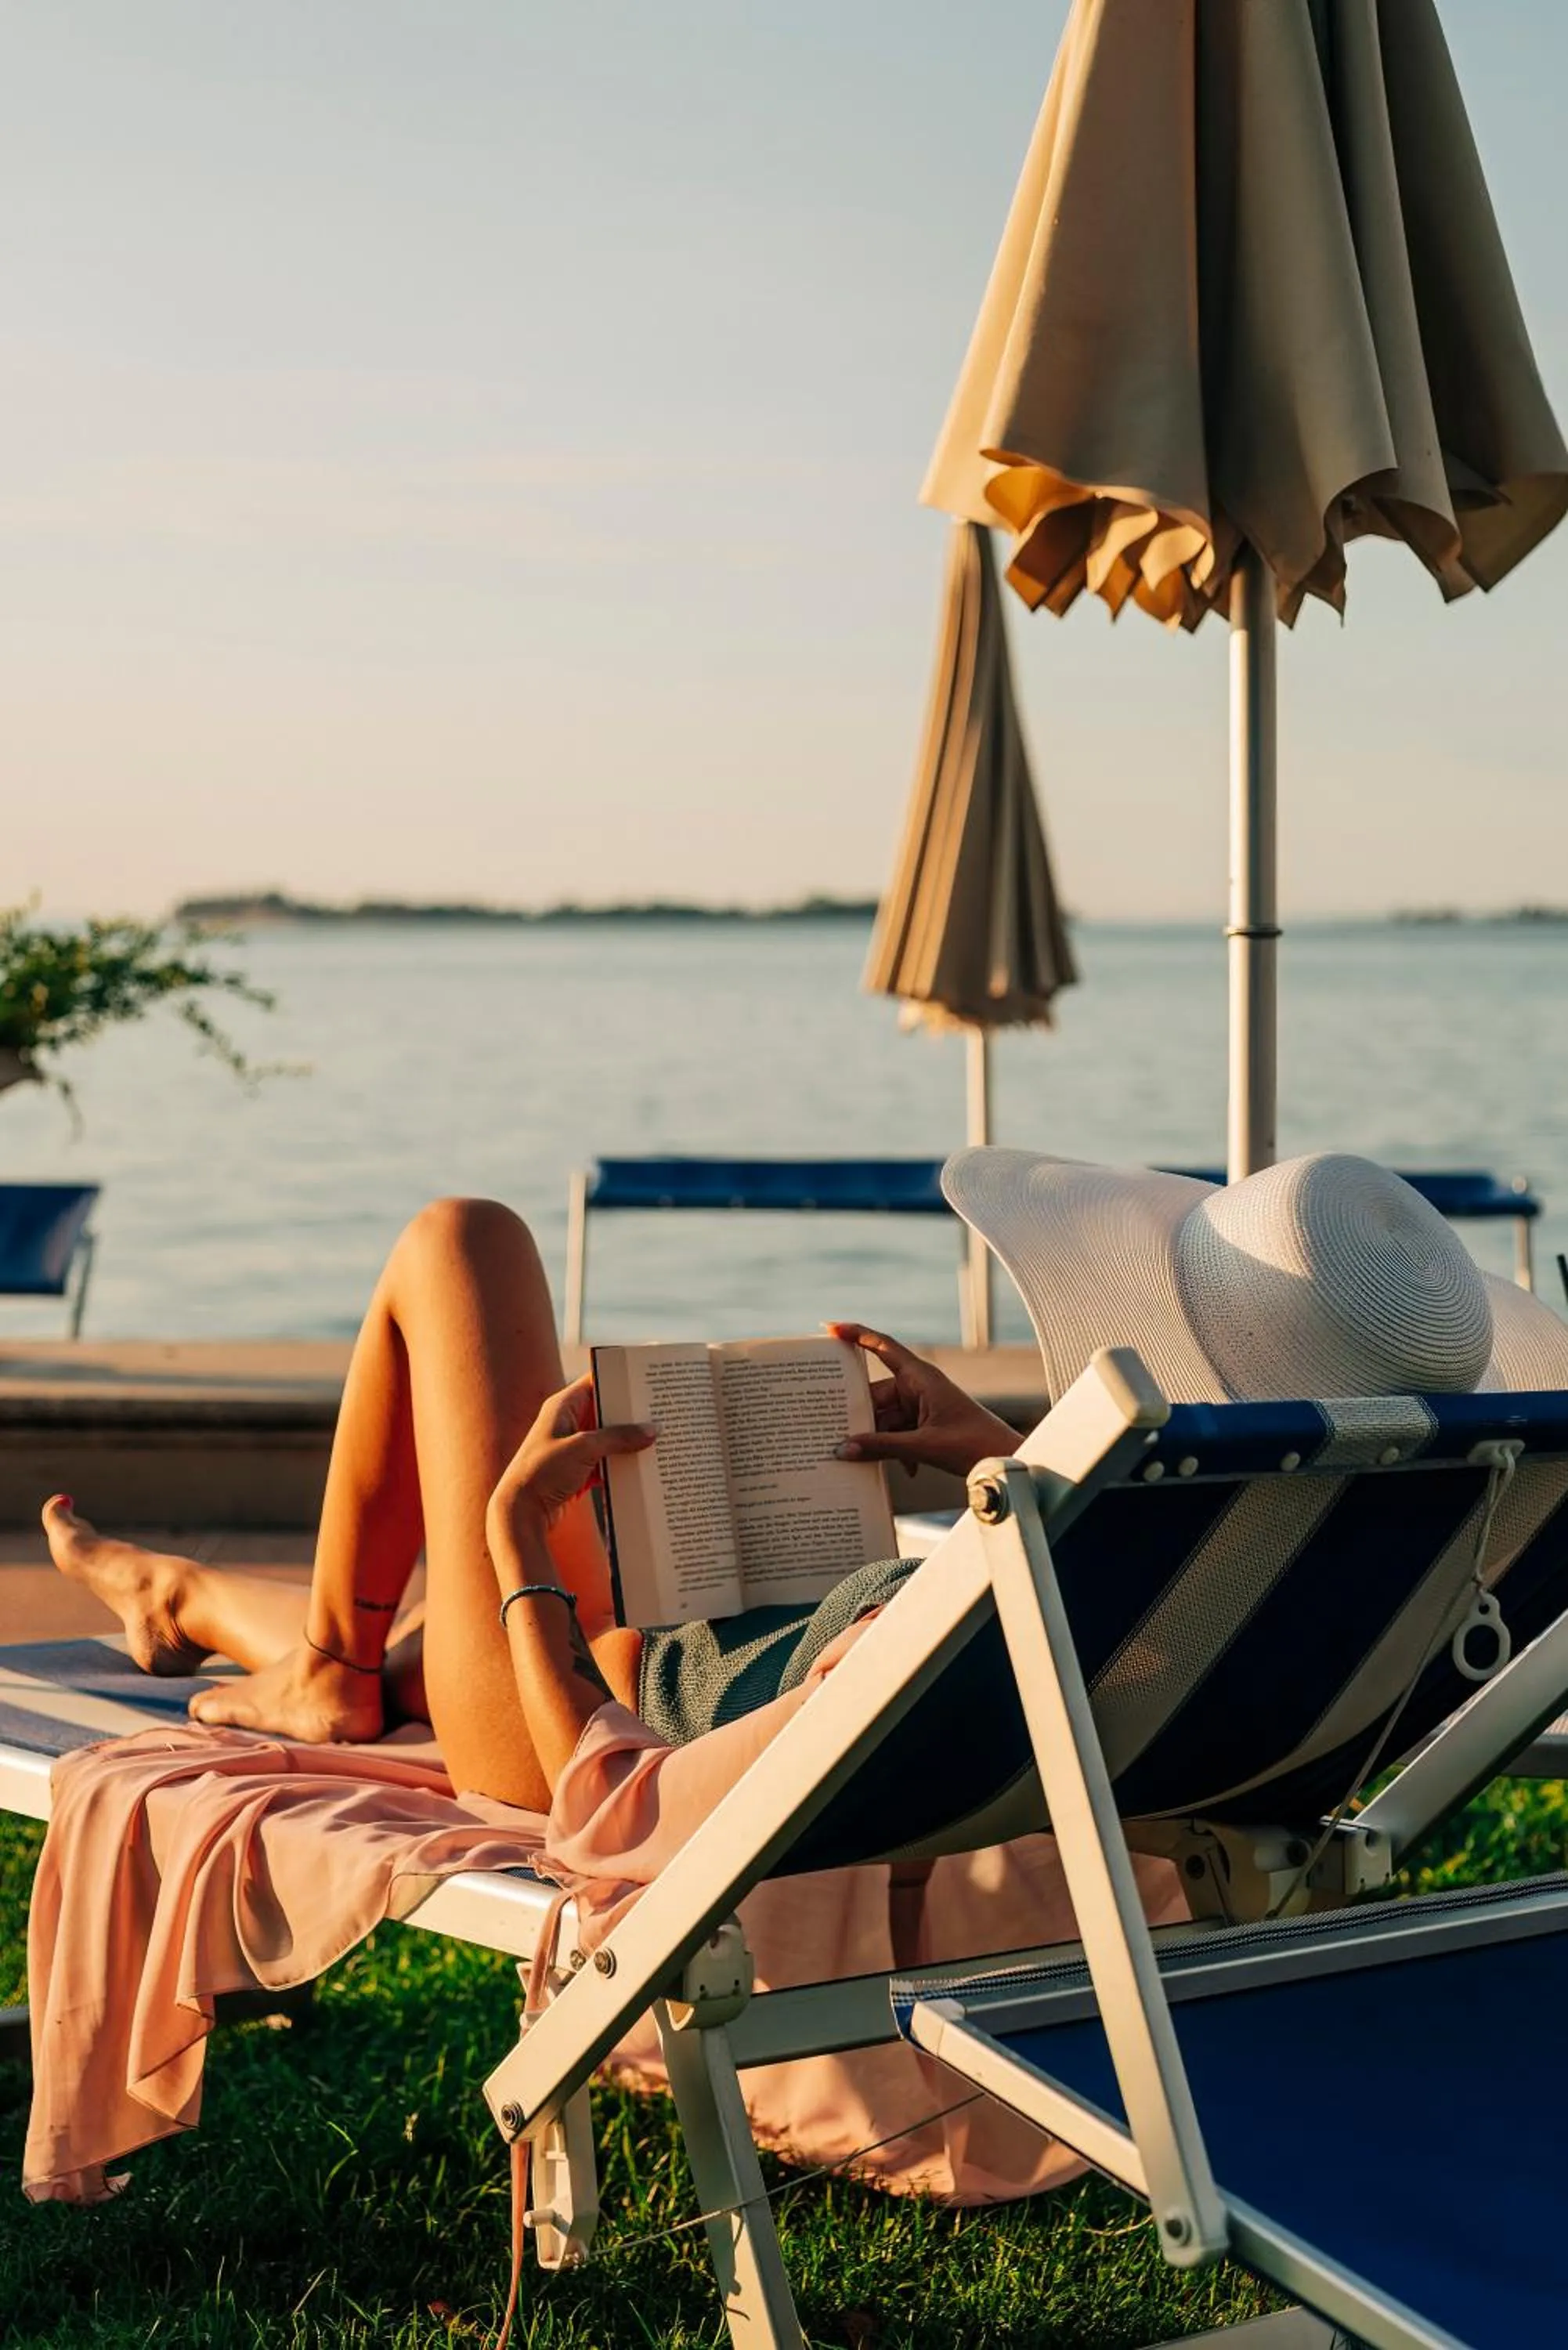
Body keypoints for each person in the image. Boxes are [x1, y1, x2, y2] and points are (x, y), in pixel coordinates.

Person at [42, 1195, 1021, 1814]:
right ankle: (187, 1600)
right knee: (425, 1644)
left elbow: (618, 1806)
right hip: (660, 1637)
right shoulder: (1122, 1605)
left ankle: (317, 1665)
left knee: (460, 1242)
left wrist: (517, 1547)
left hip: (578, 1704)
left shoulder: (915, 1666)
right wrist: (1002, 1456)